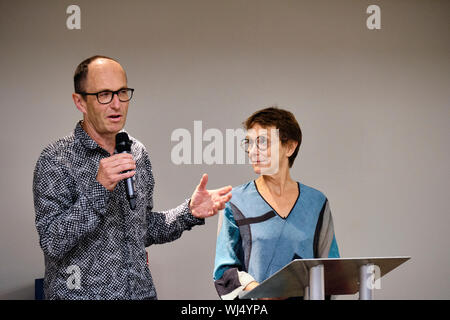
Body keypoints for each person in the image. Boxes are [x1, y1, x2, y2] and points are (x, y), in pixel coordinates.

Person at [33, 55, 232, 300]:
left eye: (122, 92)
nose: (116, 104)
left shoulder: (136, 152)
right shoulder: (55, 159)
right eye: (104, 94)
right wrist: (100, 188)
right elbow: (52, 242)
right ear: (80, 102)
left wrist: (188, 212)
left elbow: (143, 229)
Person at [213, 107, 340, 300]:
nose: (252, 151)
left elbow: (331, 270)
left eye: (262, 142)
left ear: (290, 147)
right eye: (248, 143)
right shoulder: (235, 202)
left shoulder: (316, 203)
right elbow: (224, 273)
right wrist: (260, 291)